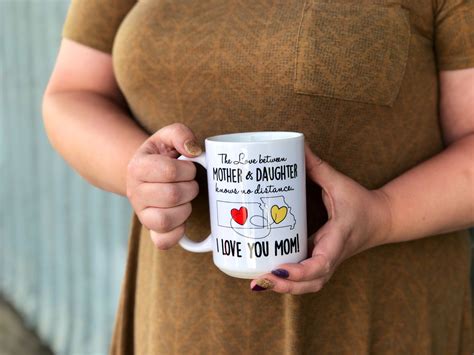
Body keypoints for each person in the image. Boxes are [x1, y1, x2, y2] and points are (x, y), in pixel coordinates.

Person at [42, 0, 474, 353]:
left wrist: (384, 214)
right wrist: (141, 176)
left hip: (378, 318)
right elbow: (74, 92)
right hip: (180, 319)